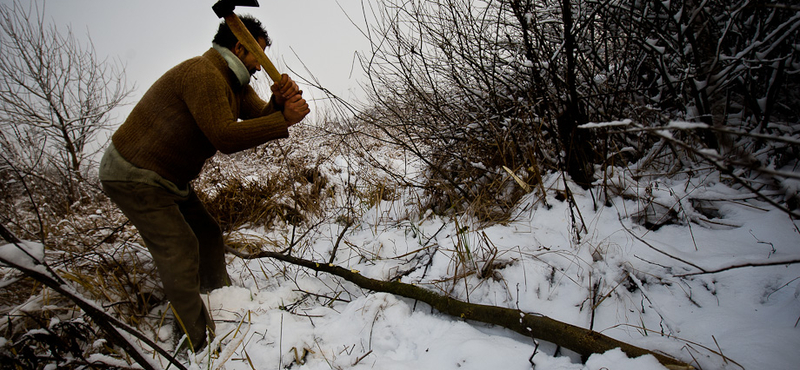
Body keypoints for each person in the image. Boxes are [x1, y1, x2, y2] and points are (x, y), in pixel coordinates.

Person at [99, 15, 309, 352]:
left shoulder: (234, 82)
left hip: (170, 177)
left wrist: (278, 106)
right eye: (259, 55)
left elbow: (260, 118)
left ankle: (222, 299)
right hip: (134, 174)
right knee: (179, 249)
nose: (260, 65)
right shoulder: (204, 73)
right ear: (240, 47)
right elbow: (224, 135)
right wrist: (282, 119)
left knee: (207, 233)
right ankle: (196, 341)